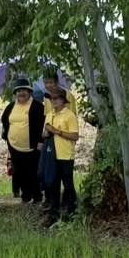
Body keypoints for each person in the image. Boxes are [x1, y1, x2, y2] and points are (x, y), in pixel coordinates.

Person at [44, 86, 81, 225]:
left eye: (55, 98)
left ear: (63, 100)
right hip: (52, 154)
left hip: (65, 155)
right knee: (53, 184)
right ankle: (54, 213)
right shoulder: (49, 114)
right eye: (51, 99)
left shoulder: (69, 115)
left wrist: (57, 131)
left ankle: (71, 212)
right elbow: (44, 133)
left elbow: (75, 136)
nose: (52, 101)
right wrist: (46, 132)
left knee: (68, 184)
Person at [1, 82, 40, 204]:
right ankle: (25, 196)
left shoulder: (38, 106)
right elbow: (5, 120)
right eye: (18, 91)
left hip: (33, 146)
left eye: (24, 90)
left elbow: (42, 125)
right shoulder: (11, 106)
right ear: (15, 94)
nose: (21, 93)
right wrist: (7, 136)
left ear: (29, 92)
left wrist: (41, 141)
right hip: (14, 145)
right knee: (19, 172)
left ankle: (37, 196)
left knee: (33, 171)